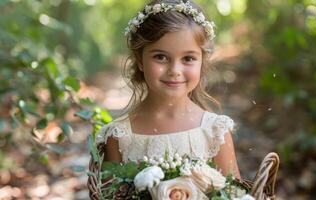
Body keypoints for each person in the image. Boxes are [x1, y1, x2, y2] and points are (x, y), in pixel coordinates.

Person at [96, 0, 241, 179]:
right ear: (140, 60)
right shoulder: (119, 136)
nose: (175, 71)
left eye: (188, 58)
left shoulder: (215, 131)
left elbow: (235, 194)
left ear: (202, 61)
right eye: (161, 57)